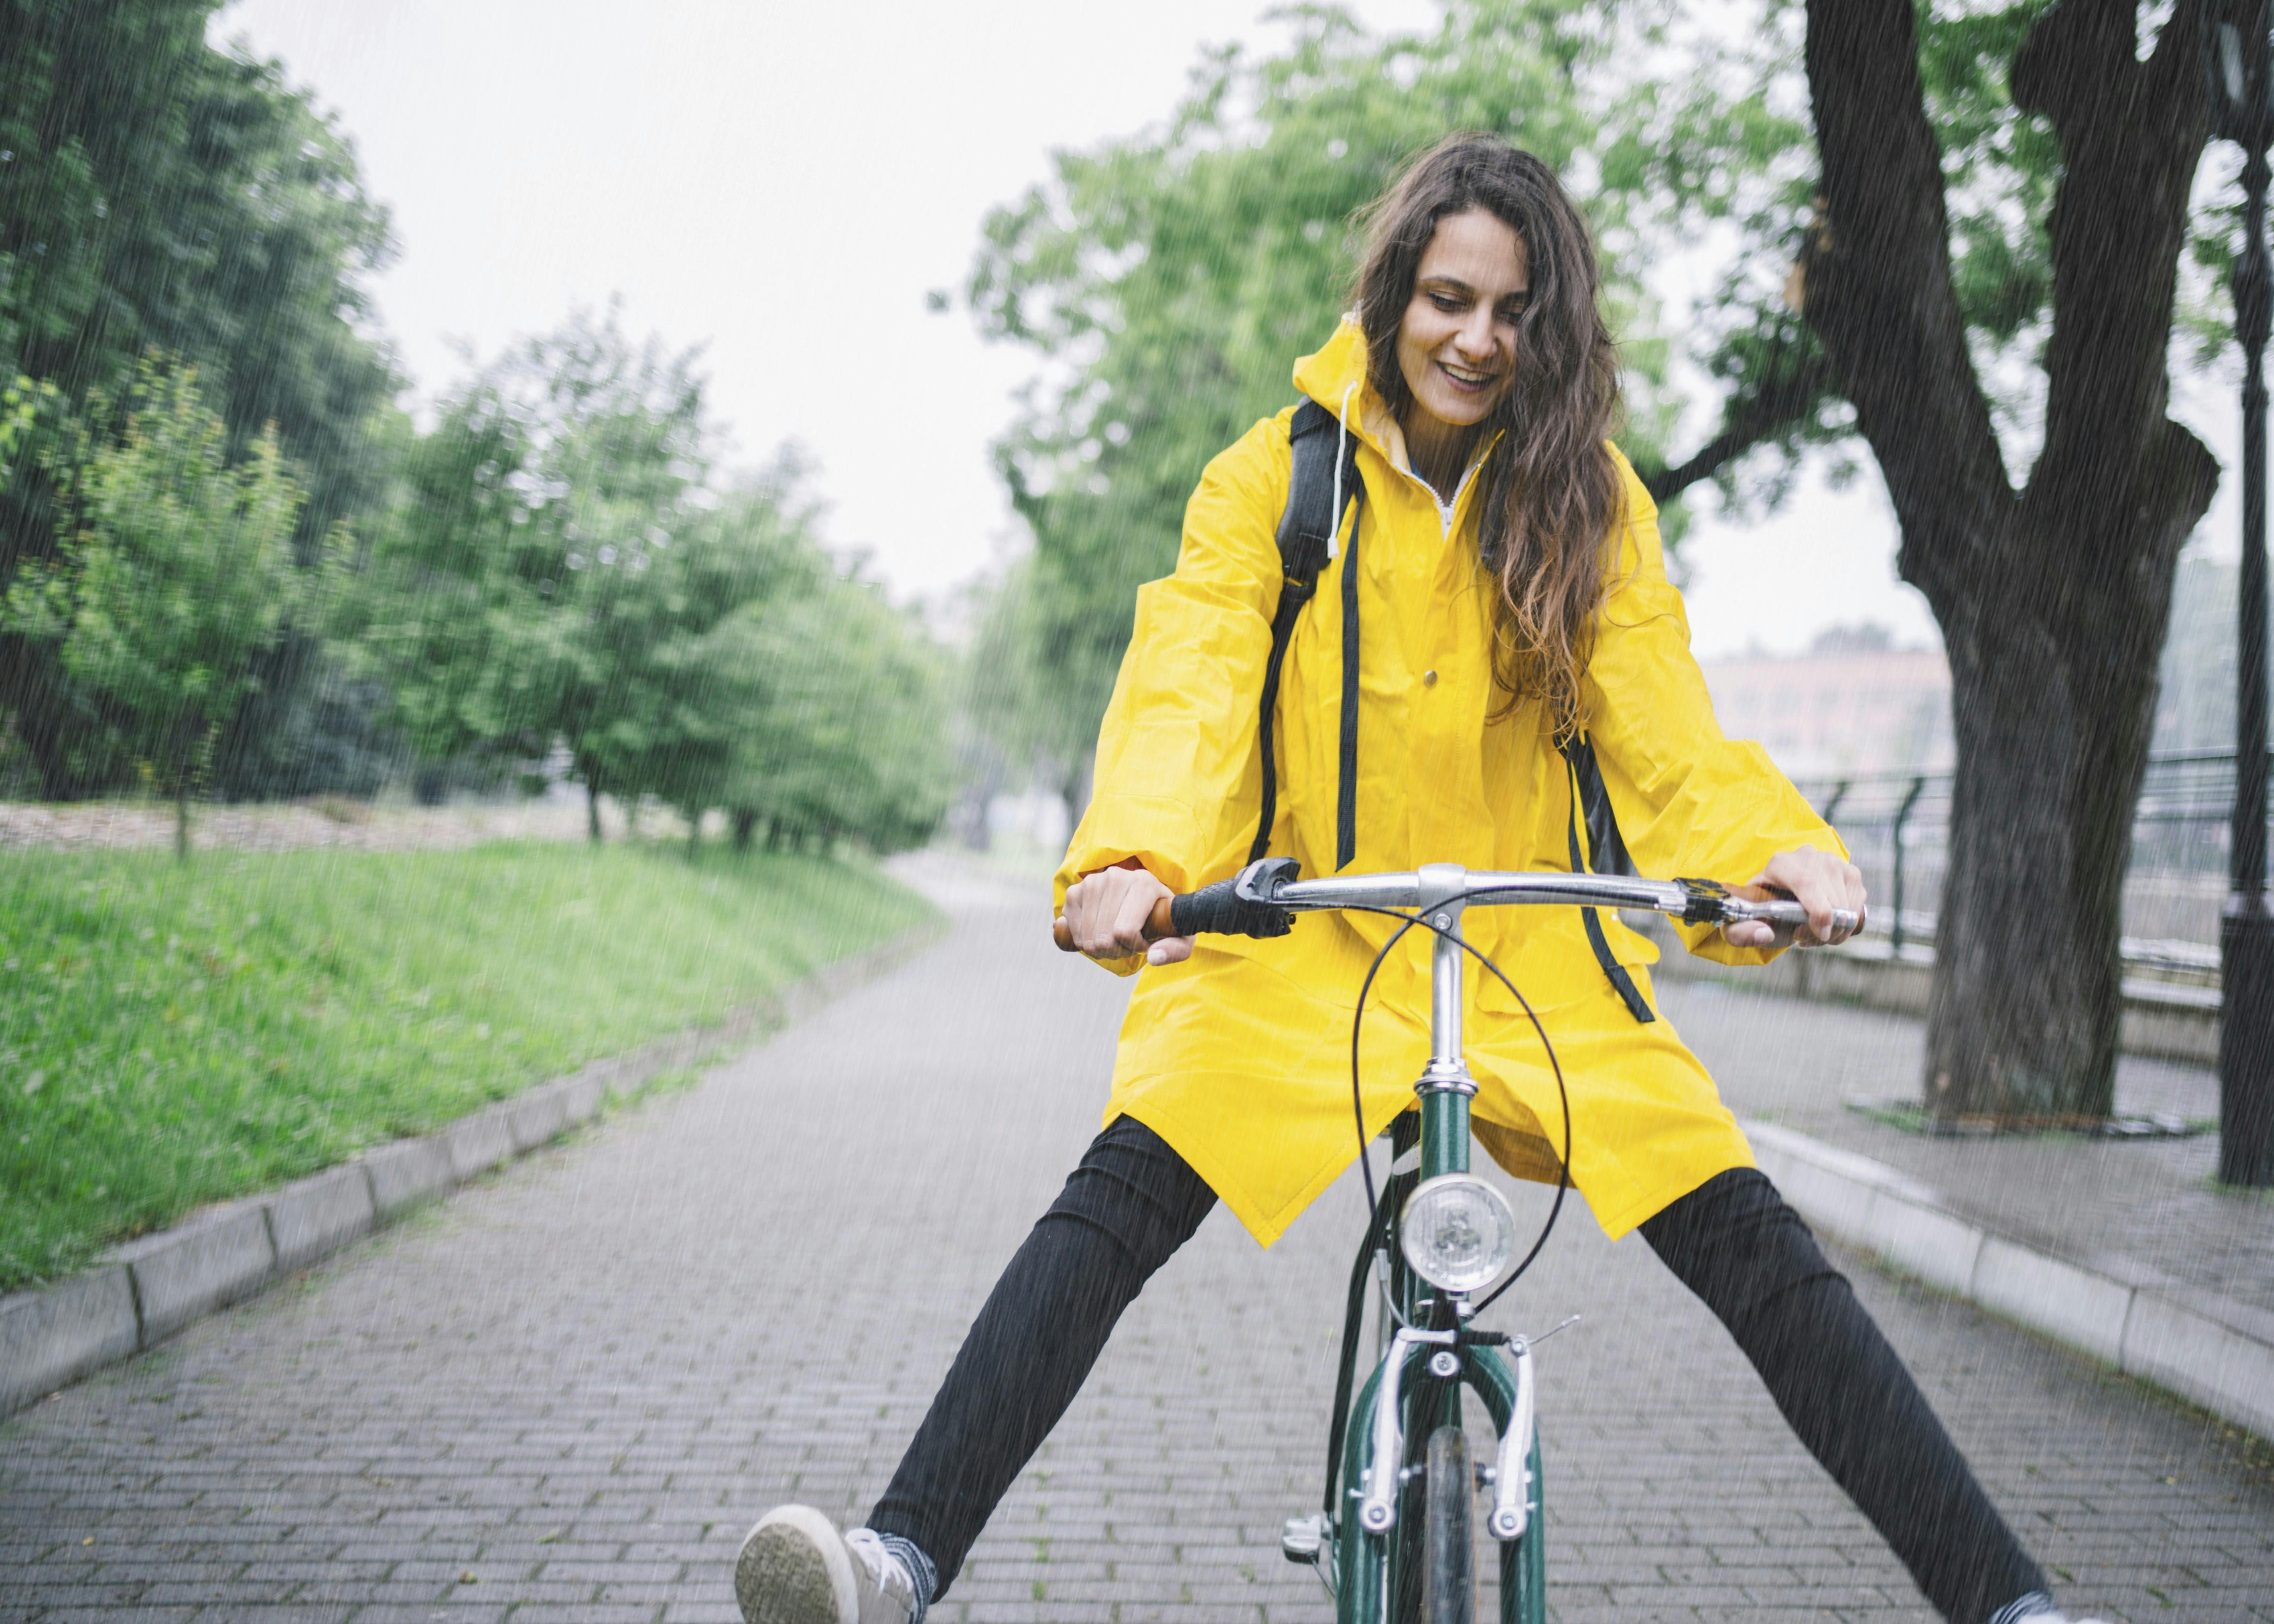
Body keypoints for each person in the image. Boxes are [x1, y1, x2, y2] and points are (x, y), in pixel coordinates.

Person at [734, 135, 2095, 1624]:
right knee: (1111, 1206)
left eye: (1515, 313)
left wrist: (1765, 847)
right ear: (1393, 295)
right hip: (1302, 953)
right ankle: (898, 1558)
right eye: (1449, 298)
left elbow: (1659, 712)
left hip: (1537, 970)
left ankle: (2010, 1605)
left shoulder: (1589, 501)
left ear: (1550, 329)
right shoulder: (1276, 480)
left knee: (1763, 1254)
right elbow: (1193, 670)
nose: (1478, 339)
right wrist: (1134, 857)